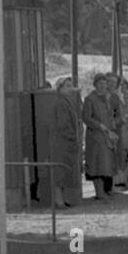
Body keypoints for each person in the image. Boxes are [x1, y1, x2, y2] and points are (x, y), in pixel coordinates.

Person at [81, 72, 116, 200]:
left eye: (104, 84)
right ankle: (99, 192)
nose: (103, 86)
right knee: (96, 164)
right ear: (95, 84)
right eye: (100, 84)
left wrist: (111, 130)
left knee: (105, 164)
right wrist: (99, 125)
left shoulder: (105, 98)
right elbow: (86, 117)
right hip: (95, 137)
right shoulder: (90, 99)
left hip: (106, 136)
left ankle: (105, 190)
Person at [50, 74, 83, 207]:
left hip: (65, 143)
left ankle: (63, 199)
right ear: (60, 88)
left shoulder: (65, 102)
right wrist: (73, 137)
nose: (70, 89)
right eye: (67, 86)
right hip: (62, 144)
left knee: (65, 172)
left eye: (71, 86)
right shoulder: (60, 103)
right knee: (60, 172)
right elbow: (63, 125)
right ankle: (58, 200)